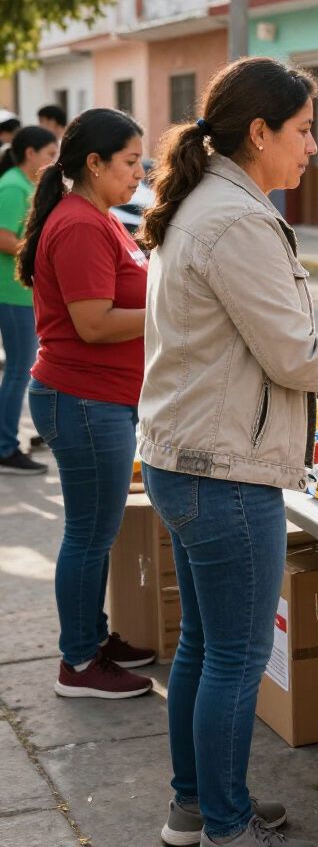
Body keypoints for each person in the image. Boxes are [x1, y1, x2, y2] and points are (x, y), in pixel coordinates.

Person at [138, 57, 318, 847]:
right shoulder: (235, 219)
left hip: (188, 458)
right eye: (302, 131)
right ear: (258, 132)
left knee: (205, 646)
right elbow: (293, 355)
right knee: (234, 656)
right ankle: (226, 827)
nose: (312, 149)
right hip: (223, 472)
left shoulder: (212, 203)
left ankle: (195, 807)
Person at [17, 109, 156, 700]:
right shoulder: (78, 225)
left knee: (96, 530)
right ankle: (77, 663)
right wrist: (168, 316)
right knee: (88, 535)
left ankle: (92, 638)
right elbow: (94, 323)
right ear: (93, 164)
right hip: (82, 399)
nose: (138, 173)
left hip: (102, 399)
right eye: (129, 163)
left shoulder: (101, 218)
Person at [0, 126, 58, 474]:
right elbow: (3, 237)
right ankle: (6, 447)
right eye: (49, 154)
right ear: (30, 153)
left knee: (22, 372)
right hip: (12, 294)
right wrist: (43, 254)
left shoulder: (23, 185)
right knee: (19, 373)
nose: (53, 161)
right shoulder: (12, 186)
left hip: (22, 293)